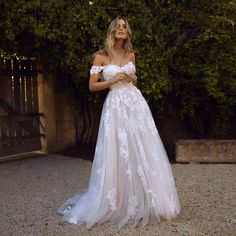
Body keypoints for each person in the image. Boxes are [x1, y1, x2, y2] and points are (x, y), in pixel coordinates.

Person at [58, 16, 181, 229]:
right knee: (118, 150)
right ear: (113, 30)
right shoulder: (101, 57)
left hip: (136, 105)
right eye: (119, 26)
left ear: (128, 32)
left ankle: (146, 198)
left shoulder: (131, 54)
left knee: (141, 148)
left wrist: (134, 80)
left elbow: (135, 79)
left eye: (125, 27)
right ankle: (118, 201)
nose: (122, 29)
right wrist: (113, 80)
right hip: (115, 107)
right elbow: (92, 86)